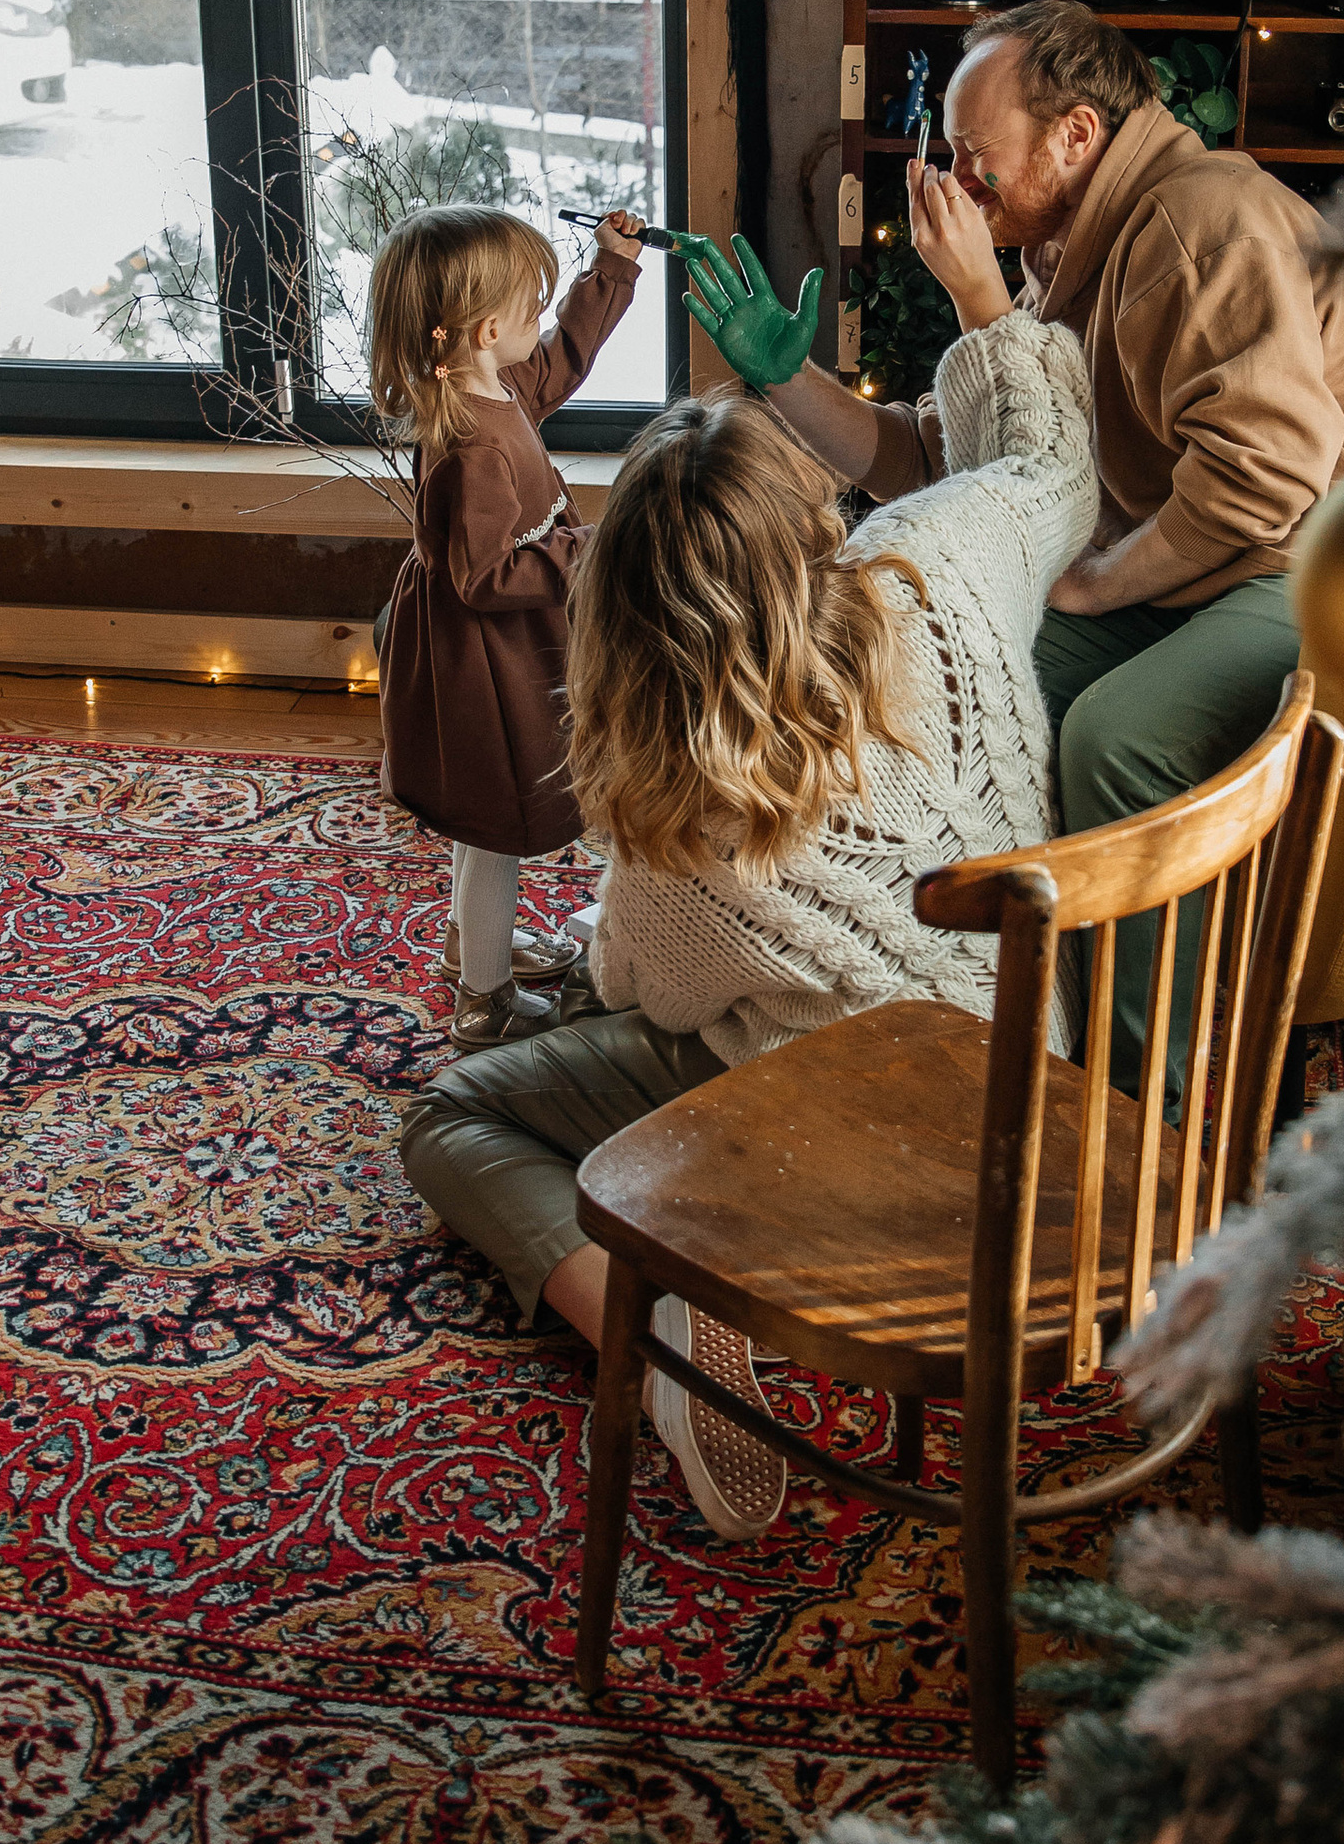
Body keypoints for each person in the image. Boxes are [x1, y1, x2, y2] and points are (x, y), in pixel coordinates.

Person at [400, 161, 1097, 1541]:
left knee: (454, 1117)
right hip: (1031, 1085)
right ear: (813, 515)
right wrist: (975, 292)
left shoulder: (671, 806)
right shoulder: (940, 563)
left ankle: (651, 1332)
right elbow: (1050, 460)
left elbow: (650, 996)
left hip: (829, 1161)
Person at [688, 0, 1344, 1090]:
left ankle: (1142, 1101)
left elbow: (1268, 472)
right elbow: (938, 460)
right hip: (1254, 552)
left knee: (1116, 736)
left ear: (1075, 135)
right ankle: (969, 1002)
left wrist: (1093, 584)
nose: (953, 177)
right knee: (958, 677)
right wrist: (781, 376)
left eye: (976, 154)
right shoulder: (1059, 258)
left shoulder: (1196, 217)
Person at [372, 199, 641, 1051]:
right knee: (498, 825)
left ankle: (471, 946)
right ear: (486, 329)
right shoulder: (473, 442)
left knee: (483, 820)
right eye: (530, 305)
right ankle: (483, 1001)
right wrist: (584, 547)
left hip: (504, 645)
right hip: (483, 662)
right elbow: (486, 575)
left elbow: (560, 359)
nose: (540, 318)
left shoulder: (489, 384)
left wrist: (612, 271)